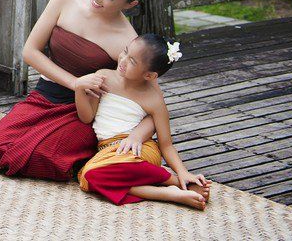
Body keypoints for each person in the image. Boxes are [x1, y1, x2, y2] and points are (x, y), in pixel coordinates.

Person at [0, 0, 161, 181]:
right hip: (45, 94)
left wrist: (137, 136)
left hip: (85, 112)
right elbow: (30, 52)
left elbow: (154, 102)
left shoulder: (127, 40)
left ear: (131, 5)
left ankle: (92, 152)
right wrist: (74, 83)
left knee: (43, 158)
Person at [77, 34, 210, 209]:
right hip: (108, 151)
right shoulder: (103, 77)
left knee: (94, 173)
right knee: (88, 176)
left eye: (132, 61)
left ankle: (173, 179)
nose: (123, 60)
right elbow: (87, 117)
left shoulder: (153, 100)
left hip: (139, 150)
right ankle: (169, 190)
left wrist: (183, 171)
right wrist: (79, 88)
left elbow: (166, 145)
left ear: (149, 75)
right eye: (125, 52)